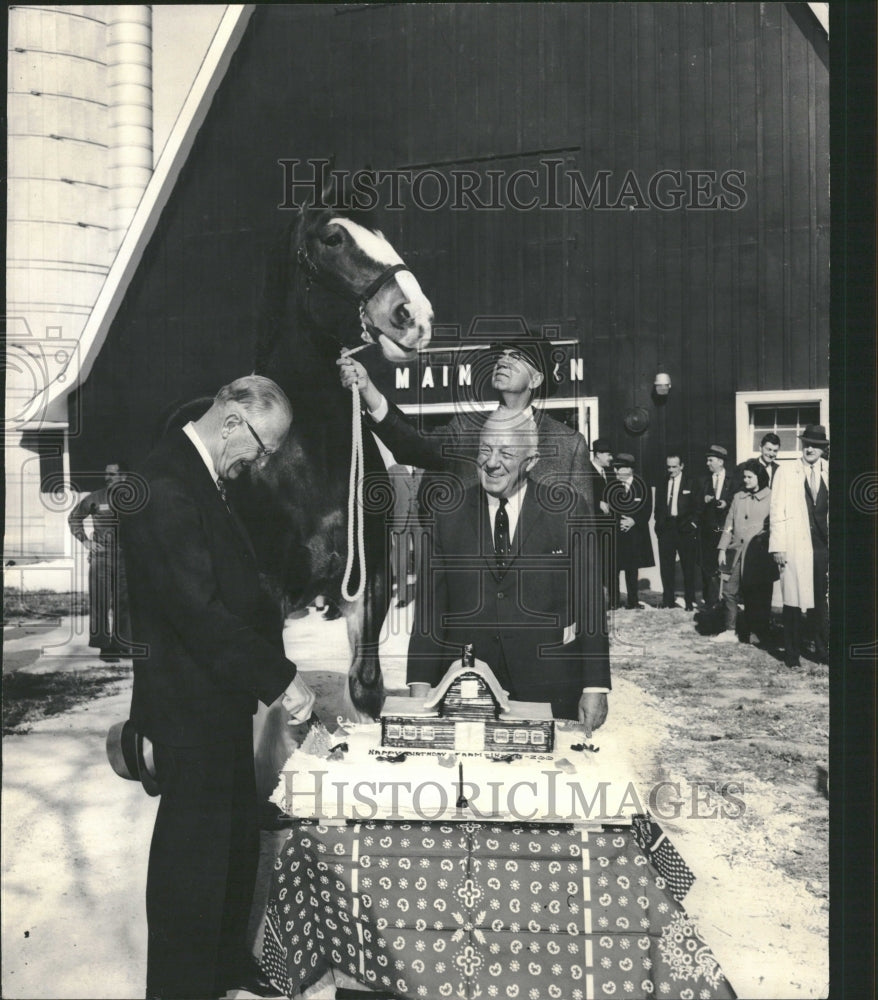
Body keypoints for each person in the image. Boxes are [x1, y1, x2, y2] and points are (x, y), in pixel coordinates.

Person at [120, 375, 315, 1000]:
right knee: (191, 869)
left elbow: (236, 590)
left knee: (231, 849)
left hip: (217, 702)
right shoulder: (166, 484)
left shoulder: (202, 476)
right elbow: (198, 612)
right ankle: (181, 987)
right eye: (261, 446)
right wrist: (280, 679)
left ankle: (225, 966)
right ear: (231, 420)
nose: (260, 461)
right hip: (186, 710)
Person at [406, 410, 610, 729]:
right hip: (466, 689)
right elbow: (430, 610)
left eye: (506, 452)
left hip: (549, 687)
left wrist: (595, 686)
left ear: (530, 461)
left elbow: (590, 601)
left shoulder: (568, 509)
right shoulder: (447, 513)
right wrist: (419, 687)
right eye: (485, 450)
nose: (491, 462)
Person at [337, 339, 595, 512]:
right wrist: (368, 388)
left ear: (536, 379)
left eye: (516, 357)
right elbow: (414, 445)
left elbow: (583, 532)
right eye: (501, 356)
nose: (503, 361)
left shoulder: (569, 444)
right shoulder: (465, 428)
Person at [769, 424, 829, 666]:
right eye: (807, 444)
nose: (810, 449)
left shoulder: (829, 471)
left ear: (824, 448)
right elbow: (776, 511)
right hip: (794, 545)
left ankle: (822, 650)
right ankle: (792, 653)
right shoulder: (786, 471)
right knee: (792, 601)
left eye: (816, 445)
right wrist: (778, 547)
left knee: (819, 600)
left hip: (822, 547)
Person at [68, 462, 132, 661]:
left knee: (125, 602)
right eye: (106, 474)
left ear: (124, 477)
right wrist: (85, 541)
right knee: (100, 601)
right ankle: (105, 646)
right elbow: (74, 518)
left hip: (126, 558)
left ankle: (123, 644)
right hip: (102, 557)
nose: (107, 478)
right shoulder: (96, 498)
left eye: (112, 474)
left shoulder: (134, 499)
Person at [711, 459, 773, 644]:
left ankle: (756, 631)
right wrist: (722, 548)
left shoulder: (772, 497)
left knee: (755, 593)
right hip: (735, 552)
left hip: (757, 555)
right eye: (744, 477)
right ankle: (730, 630)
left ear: (759, 478)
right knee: (729, 591)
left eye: (749, 477)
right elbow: (728, 524)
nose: (745, 480)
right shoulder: (738, 497)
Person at [607, 453, 654, 609]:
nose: (617, 472)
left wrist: (633, 521)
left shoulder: (642, 486)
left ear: (630, 469)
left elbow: (647, 510)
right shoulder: (612, 486)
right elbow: (610, 509)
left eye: (620, 468)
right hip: (617, 533)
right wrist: (620, 521)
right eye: (615, 468)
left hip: (635, 535)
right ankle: (614, 601)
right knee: (614, 568)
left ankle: (632, 601)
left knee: (632, 569)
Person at [653, 453, 699, 610]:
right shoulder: (663, 481)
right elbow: (658, 506)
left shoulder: (691, 482)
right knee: (666, 566)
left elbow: (698, 507)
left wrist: (693, 525)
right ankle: (668, 600)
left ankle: (689, 600)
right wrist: (658, 525)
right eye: (668, 466)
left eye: (674, 466)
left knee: (688, 566)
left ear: (682, 466)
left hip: (685, 528)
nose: (671, 470)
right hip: (666, 528)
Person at [696, 445, 736, 608]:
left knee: (726, 568)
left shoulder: (733, 480)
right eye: (707, 459)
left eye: (710, 460)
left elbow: (737, 500)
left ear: (720, 461)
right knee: (707, 568)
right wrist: (702, 500)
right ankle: (710, 602)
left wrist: (726, 503)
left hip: (726, 531)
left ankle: (726, 601)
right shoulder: (703, 480)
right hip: (707, 532)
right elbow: (694, 504)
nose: (707, 463)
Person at [387, 463, 424, 607]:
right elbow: (388, 498)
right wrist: (390, 523)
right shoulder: (393, 470)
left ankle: (422, 593)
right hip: (400, 518)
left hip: (420, 519)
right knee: (401, 558)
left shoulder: (422, 470)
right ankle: (402, 597)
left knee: (422, 557)